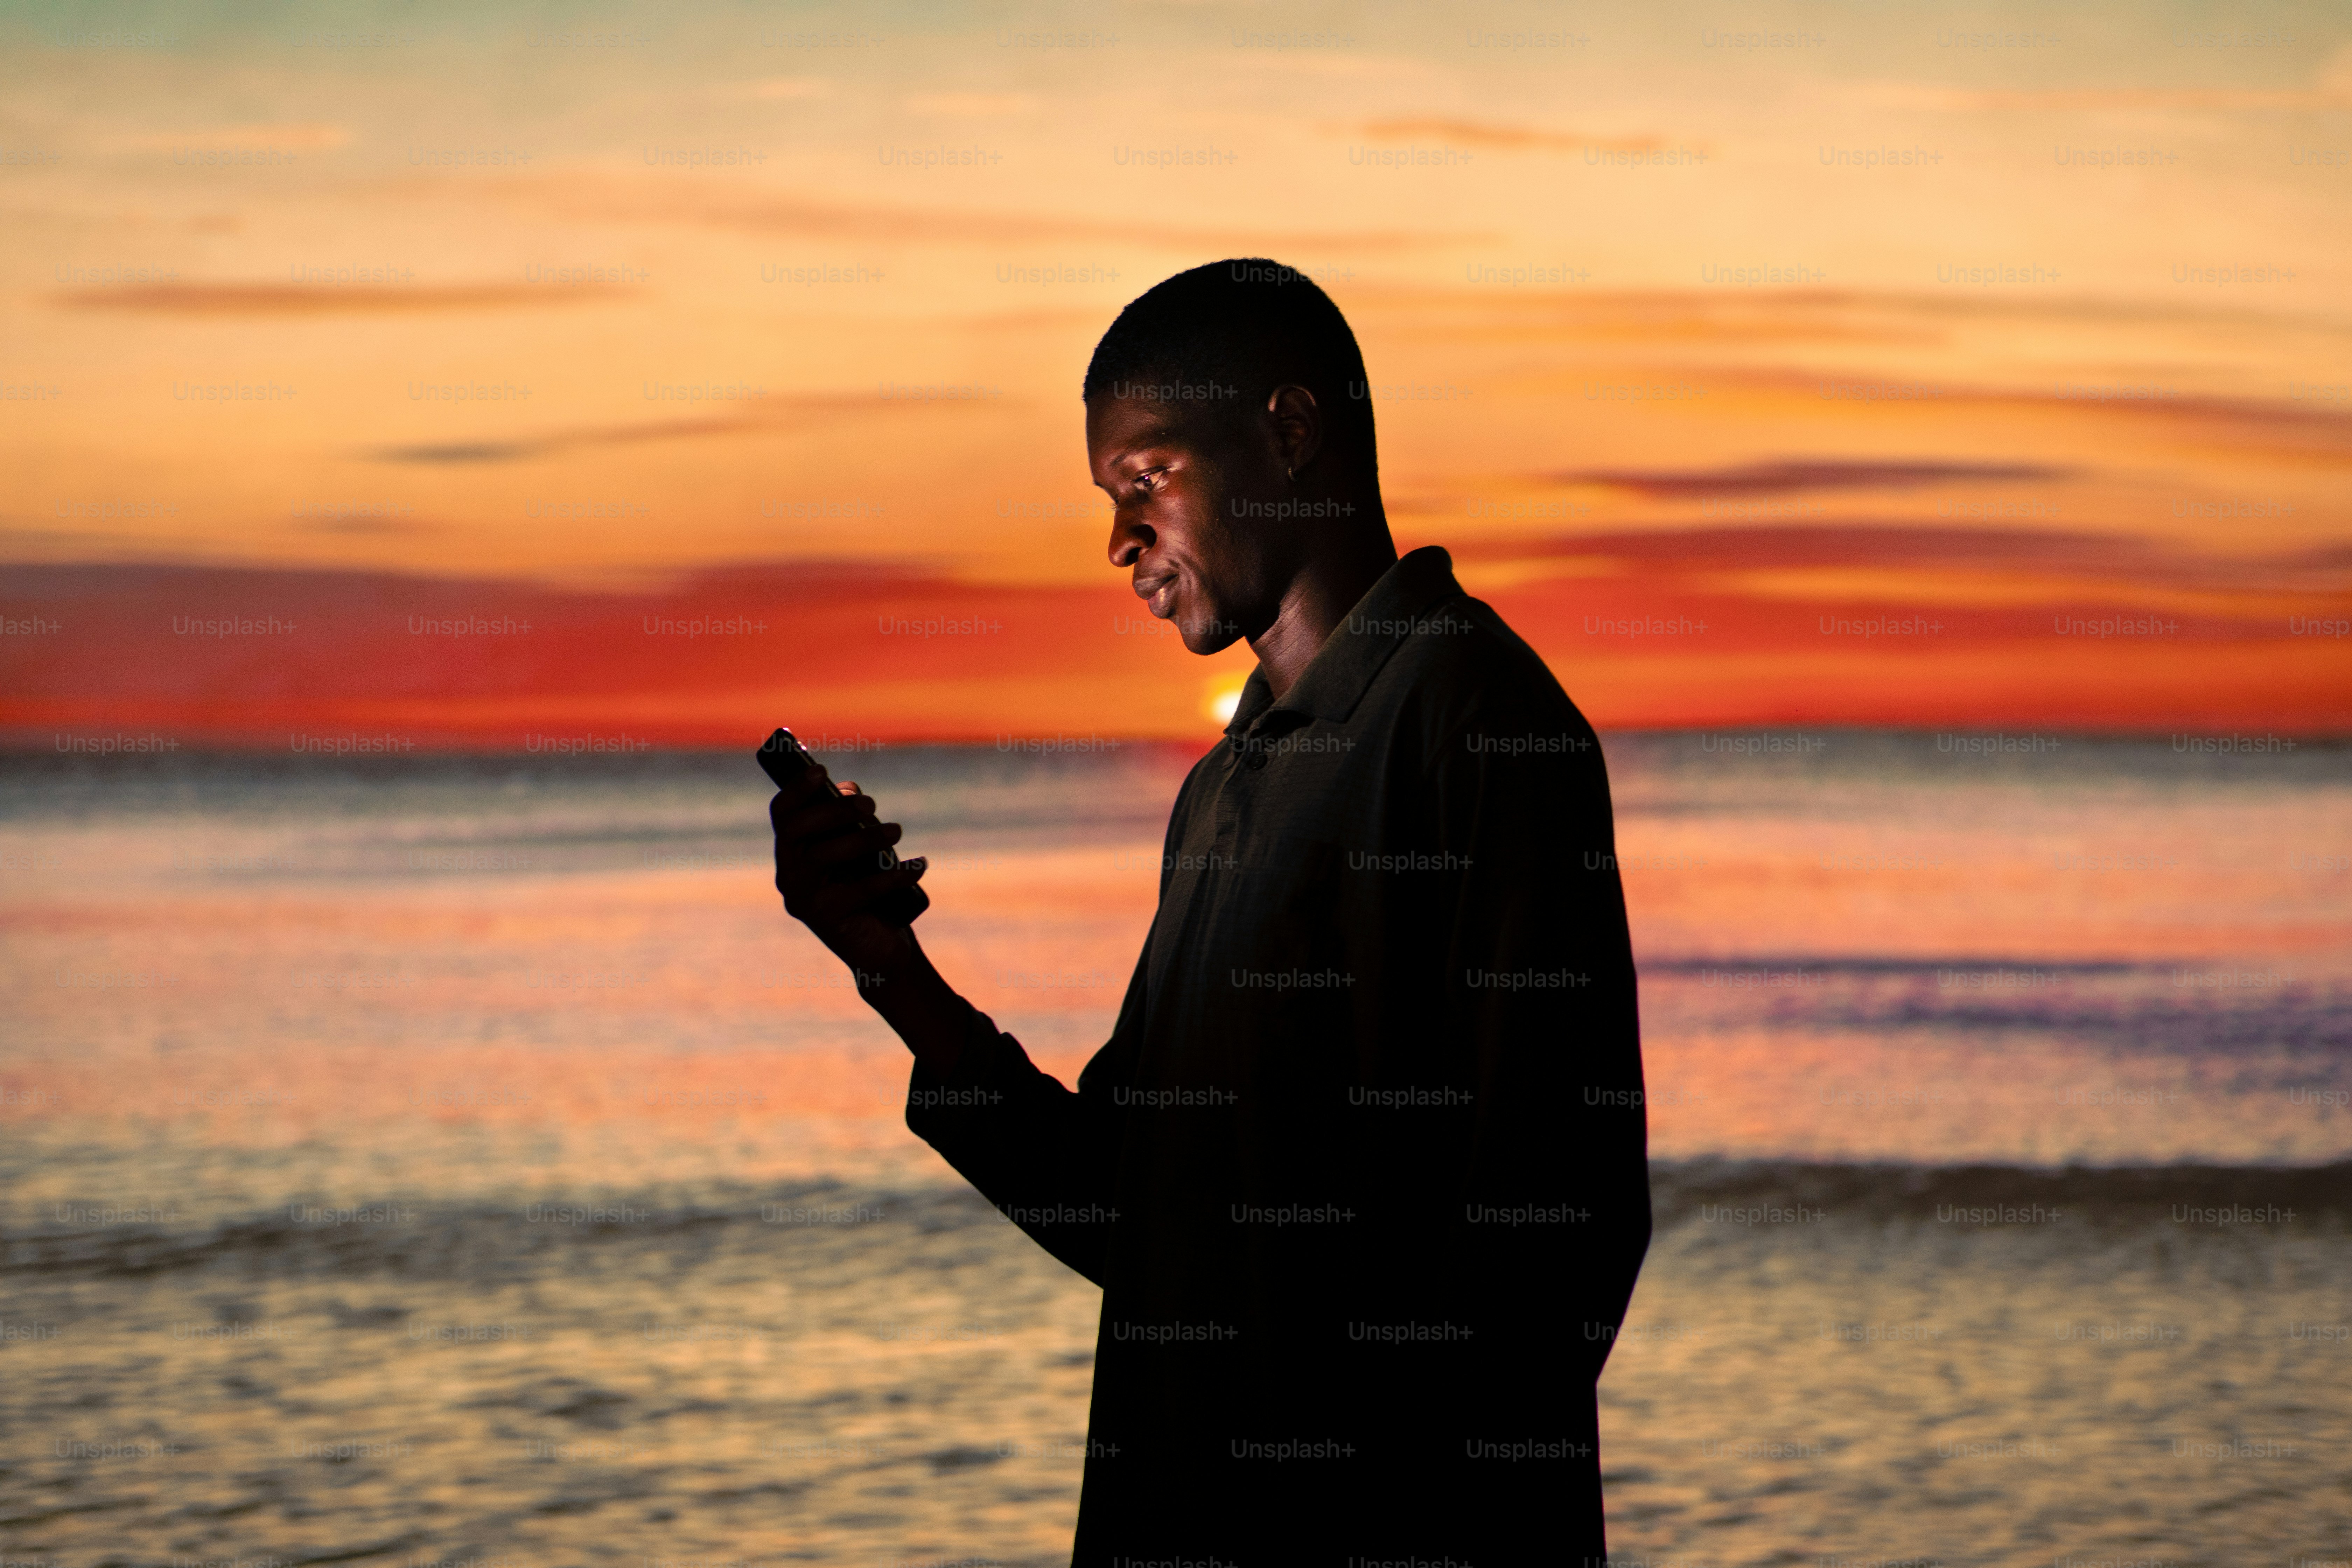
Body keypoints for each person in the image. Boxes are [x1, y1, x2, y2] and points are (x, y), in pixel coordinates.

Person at [770, 259, 1650, 1564]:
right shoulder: (1221, 794)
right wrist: (888, 967)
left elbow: (1557, 1231)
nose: (1119, 541)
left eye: (1147, 480)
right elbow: (1132, 1211)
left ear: (1290, 432)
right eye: (1108, 498)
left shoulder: (1477, 722)